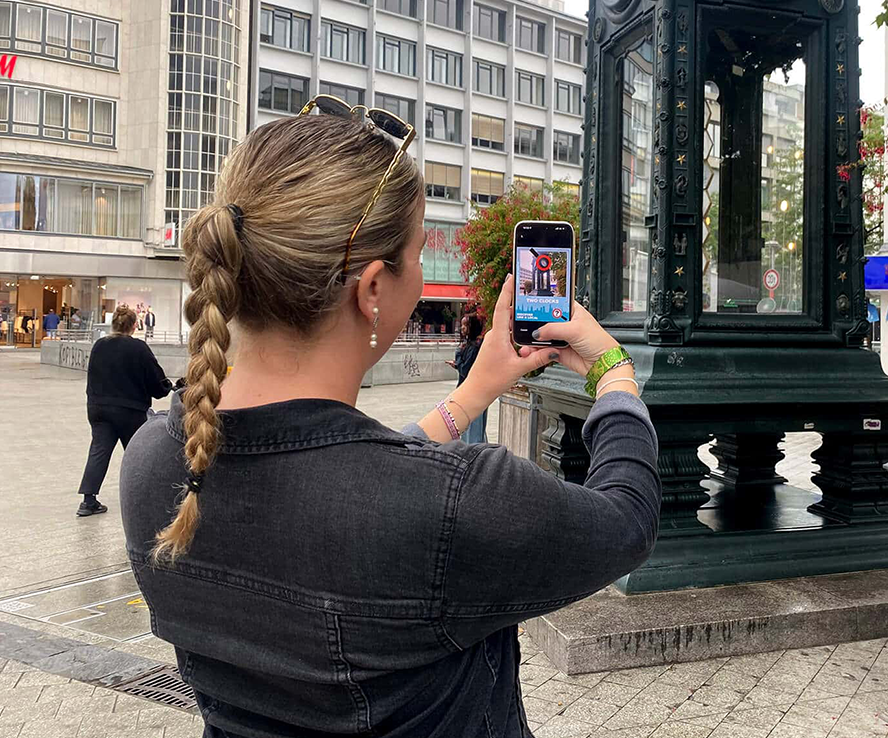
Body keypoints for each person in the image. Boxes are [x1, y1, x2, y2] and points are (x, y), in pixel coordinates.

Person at [119, 106, 658, 738]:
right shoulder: (455, 502)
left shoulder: (155, 462)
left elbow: (338, 492)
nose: (424, 270)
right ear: (373, 287)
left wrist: (475, 390)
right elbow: (627, 520)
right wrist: (613, 372)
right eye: (419, 249)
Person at [77, 304, 174, 516]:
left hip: (98, 408)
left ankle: (88, 500)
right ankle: (142, 498)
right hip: (129, 411)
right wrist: (167, 387)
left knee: (99, 451)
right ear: (134, 325)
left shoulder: (99, 345)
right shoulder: (138, 348)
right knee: (137, 453)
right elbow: (156, 382)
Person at [447, 314, 488, 443]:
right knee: (470, 429)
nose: (462, 328)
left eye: (466, 325)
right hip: (472, 392)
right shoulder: (472, 345)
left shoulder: (474, 347)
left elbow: (466, 370)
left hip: (472, 393)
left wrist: (458, 357)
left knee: (473, 432)